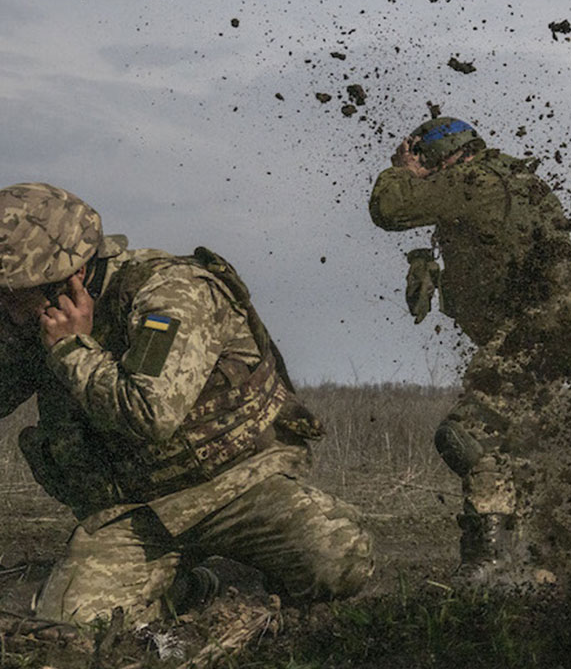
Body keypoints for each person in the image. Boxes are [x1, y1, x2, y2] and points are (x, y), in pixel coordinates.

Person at [0, 183, 372, 625]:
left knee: (339, 561)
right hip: (138, 512)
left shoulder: (169, 293)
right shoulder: (36, 317)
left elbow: (151, 413)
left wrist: (72, 349)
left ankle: (244, 575)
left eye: (10, 292)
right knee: (73, 620)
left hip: (236, 485)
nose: (5, 304)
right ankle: (195, 586)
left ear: (67, 278)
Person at [368, 117, 571, 583]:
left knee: (468, 435)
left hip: (530, 339)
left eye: (427, 162)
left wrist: (401, 169)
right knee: (515, 449)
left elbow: (389, 209)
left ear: (441, 157)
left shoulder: (472, 179)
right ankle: (538, 563)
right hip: (549, 338)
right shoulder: (516, 179)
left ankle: (492, 560)